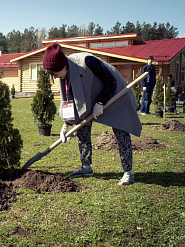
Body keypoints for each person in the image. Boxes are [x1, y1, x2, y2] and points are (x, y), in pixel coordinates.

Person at [43, 43, 142, 185]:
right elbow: (70, 100)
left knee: (121, 130)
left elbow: (111, 80)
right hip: (92, 99)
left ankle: (128, 173)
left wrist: (100, 103)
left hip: (116, 94)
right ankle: (86, 167)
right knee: (81, 127)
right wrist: (66, 125)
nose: (57, 77)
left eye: (56, 74)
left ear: (64, 66)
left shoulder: (87, 62)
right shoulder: (66, 75)